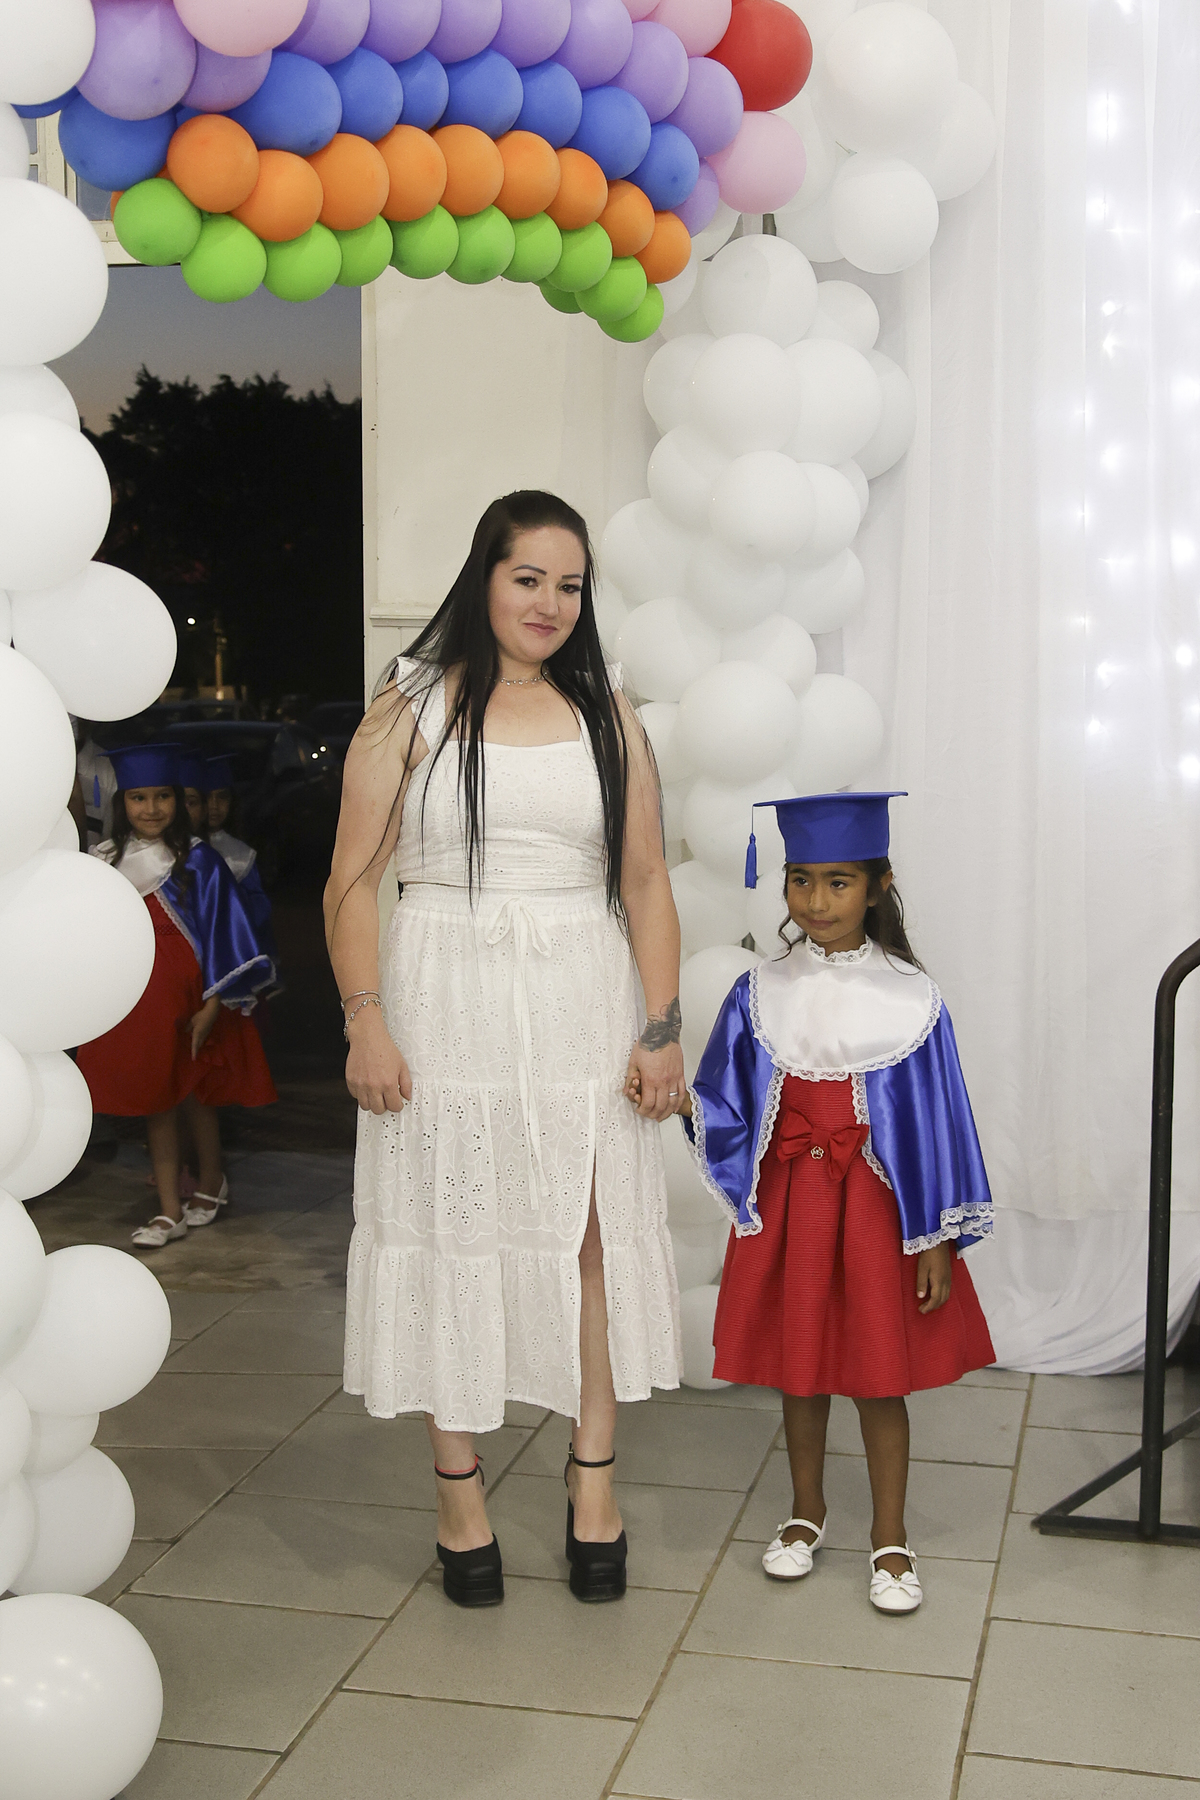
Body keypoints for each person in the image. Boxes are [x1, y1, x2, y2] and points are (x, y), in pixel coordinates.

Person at [325, 490, 684, 1610]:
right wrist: (365, 1018)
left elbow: (645, 880)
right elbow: (352, 881)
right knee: (453, 1230)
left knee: (587, 1239)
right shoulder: (410, 703)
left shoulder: (607, 707)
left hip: (581, 995)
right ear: (484, 575)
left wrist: (661, 1028)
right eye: (528, 578)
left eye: (570, 585)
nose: (549, 604)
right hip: (444, 999)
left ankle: (593, 1483)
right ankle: (459, 1497)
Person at [679, 792, 995, 1616]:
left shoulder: (911, 998)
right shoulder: (760, 990)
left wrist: (936, 1237)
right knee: (801, 1368)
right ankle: (805, 1512)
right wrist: (679, 1101)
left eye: (839, 882)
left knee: (878, 1376)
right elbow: (725, 1098)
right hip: (794, 1204)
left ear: (879, 885)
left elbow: (940, 1123)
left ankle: (890, 1537)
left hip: (880, 1210)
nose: (816, 901)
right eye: (801, 880)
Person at [75, 743, 278, 1248]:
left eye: (162, 796)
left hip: (193, 994)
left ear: (177, 799)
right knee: (159, 1101)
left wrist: (212, 1006)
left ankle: (209, 1179)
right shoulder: (106, 861)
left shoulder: (199, 861)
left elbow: (223, 934)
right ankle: (170, 1210)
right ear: (122, 802)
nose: (151, 809)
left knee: (194, 1094)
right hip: (140, 996)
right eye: (138, 798)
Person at [205, 754, 276, 951]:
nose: (214, 806)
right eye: (206, 797)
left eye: (222, 797)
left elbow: (258, 911)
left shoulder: (240, 855)